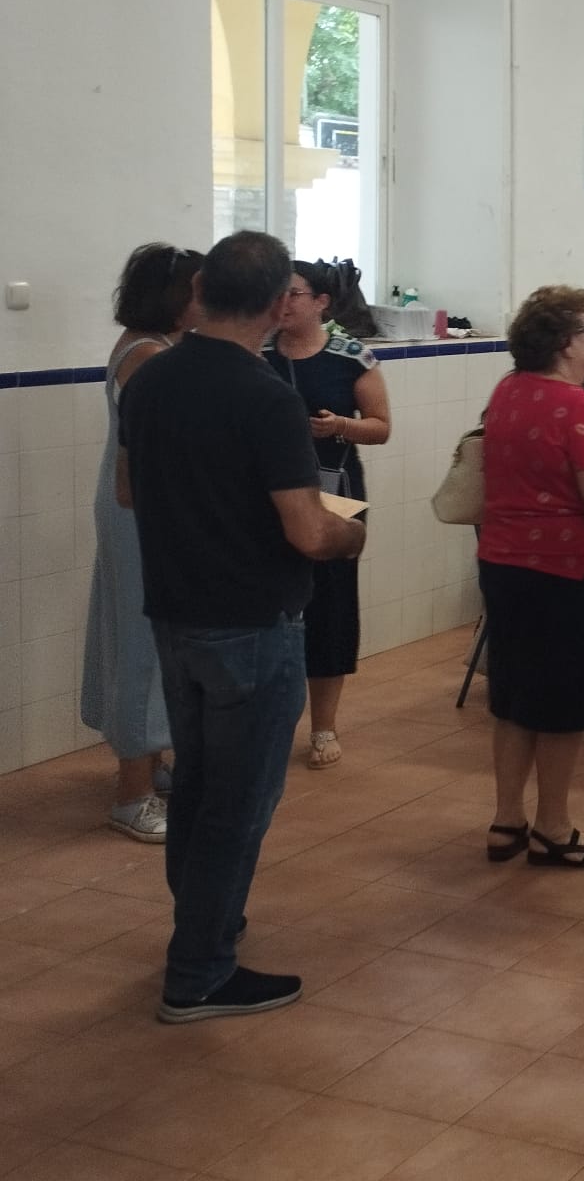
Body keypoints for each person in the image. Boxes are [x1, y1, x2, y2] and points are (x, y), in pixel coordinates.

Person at [120, 230, 367, 1022]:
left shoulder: (152, 376)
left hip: (176, 613)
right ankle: (198, 972)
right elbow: (304, 529)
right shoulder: (266, 397)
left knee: (197, 784)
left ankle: (205, 923)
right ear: (270, 305)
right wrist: (350, 533)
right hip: (252, 623)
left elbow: (131, 491)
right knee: (240, 802)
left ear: (202, 293)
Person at [476, 285, 584, 871]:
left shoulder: (507, 391)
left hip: (503, 562)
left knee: (512, 697)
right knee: (562, 705)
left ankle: (507, 818)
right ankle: (554, 828)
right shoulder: (580, 409)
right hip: (564, 571)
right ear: (567, 344)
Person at [84, 243, 200, 842]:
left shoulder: (146, 344)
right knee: (142, 642)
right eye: (196, 292)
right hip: (141, 513)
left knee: (150, 637)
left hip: (136, 508)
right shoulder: (148, 356)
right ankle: (132, 792)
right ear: (174, 298)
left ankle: (152, 768)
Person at [263, 260, 390, 770]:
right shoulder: (256, 354)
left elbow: (381, 428)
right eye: (277, 294)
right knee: (273, 606)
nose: (284, 304)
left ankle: (324, 726)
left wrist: (340, 425)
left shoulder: (351, 358)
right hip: (268, 498)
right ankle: (271, 720)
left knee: (330, 607)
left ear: (321, 302)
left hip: (336, 490)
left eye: (294, 294)